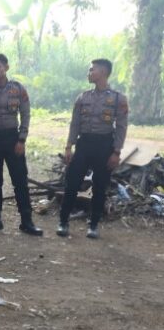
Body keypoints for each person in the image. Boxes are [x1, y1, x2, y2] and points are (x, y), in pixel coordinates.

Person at [0, 54, 42, 236]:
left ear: (6, 68)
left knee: (20, 180)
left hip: (13, 139)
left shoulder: (18, 89)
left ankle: (27, 221)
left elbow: (26, 114)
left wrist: (22, 139)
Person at [57, 59, 128, 239]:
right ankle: (63, 221)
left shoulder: (118, 99)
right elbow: (75, 124)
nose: (89, 73)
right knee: (72, 182)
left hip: (104, 146)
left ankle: (93, 224)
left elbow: (121, 127)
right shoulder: (83, 97)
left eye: (92, 70)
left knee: (99, 186)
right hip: (84, 145)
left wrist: (116, 152)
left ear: (103, 72)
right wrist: (68, 146)